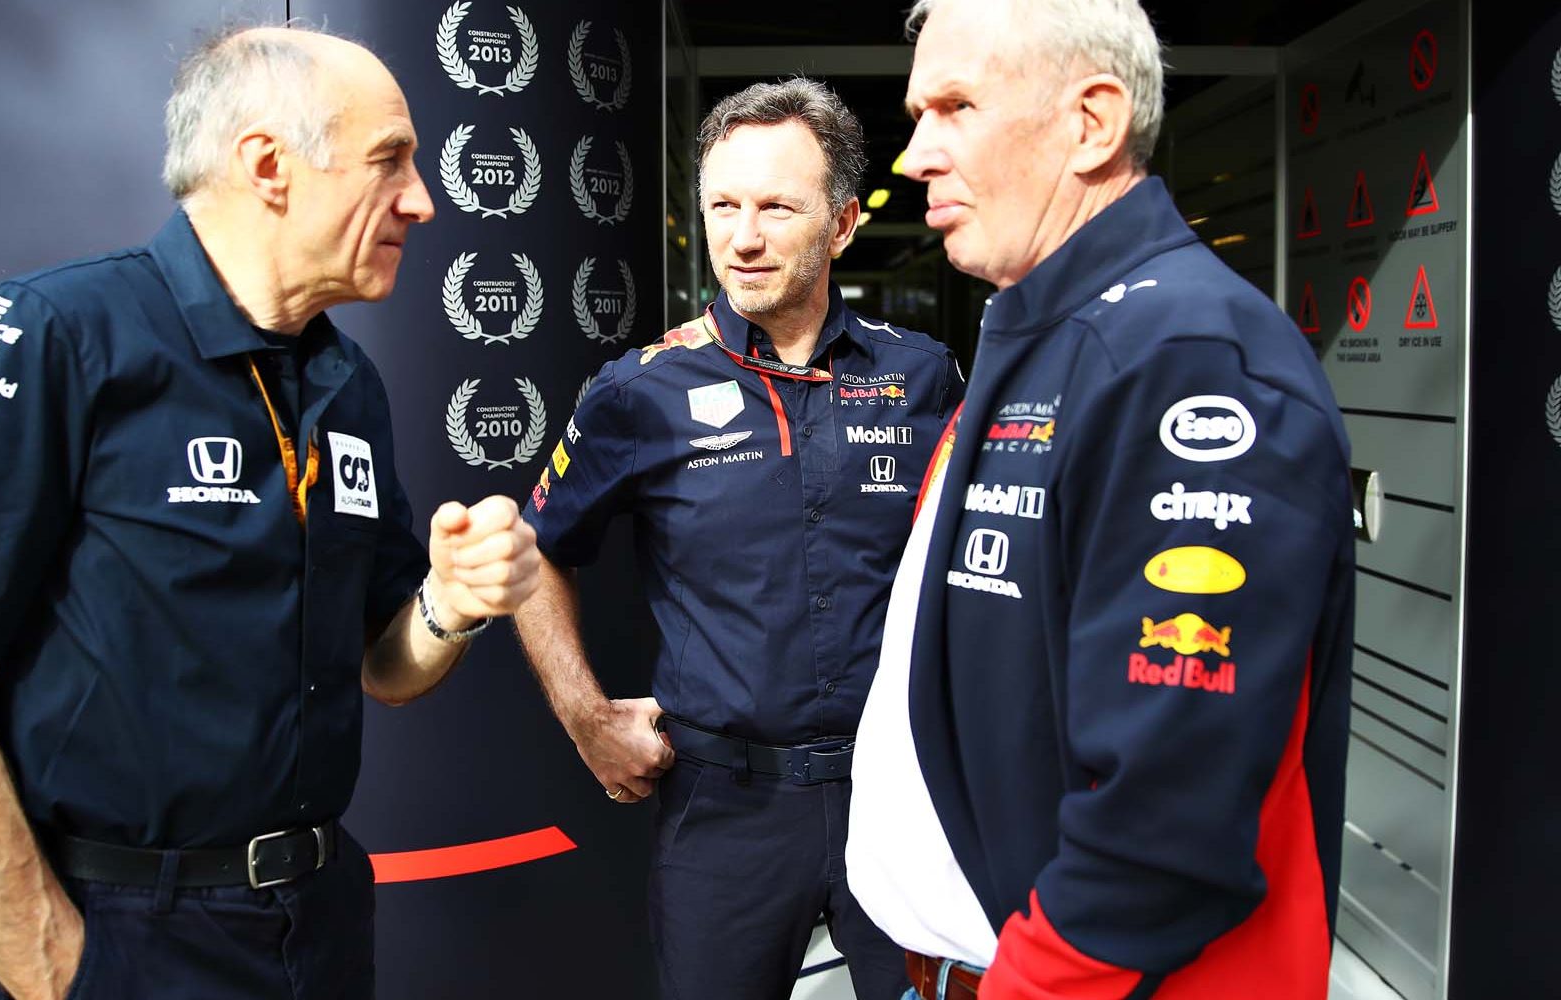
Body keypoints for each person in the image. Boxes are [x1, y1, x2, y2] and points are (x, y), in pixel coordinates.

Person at [0, 25, 541, 1000]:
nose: (422, 197)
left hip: (319, 921)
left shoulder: (347, 383)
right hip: (122, 934)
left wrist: (450, 603)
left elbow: (383, 663)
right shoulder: (53, 336)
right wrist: (62, 975)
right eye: (390, 161)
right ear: (267, 165)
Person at [845, 1, 1355, 998]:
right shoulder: (1048, 336)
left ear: (1092, 123)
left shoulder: (1184, 359)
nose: (916, 156)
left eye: (954, 107)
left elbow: (1171, 813)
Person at [513, 78, 962, 1000]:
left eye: (776, 207)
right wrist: (587, 720)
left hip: (902, 801)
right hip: (724, 812)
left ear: (841, 226)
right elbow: (534, 550)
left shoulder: (923, 379)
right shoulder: (641, 390)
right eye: (724, 205)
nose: (743, 237)